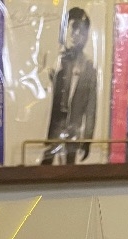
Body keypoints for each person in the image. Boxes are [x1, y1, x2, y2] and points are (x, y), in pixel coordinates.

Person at [41, 8, 97, 166]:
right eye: (72, 29)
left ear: (86, 35)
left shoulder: (90, 68)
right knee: (44, 166)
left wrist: (87, 140)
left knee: (70, 170)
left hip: (74, 130)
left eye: (80, 31)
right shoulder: (55, 61)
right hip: (53, 127)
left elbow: (91, 108)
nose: (75, 35)